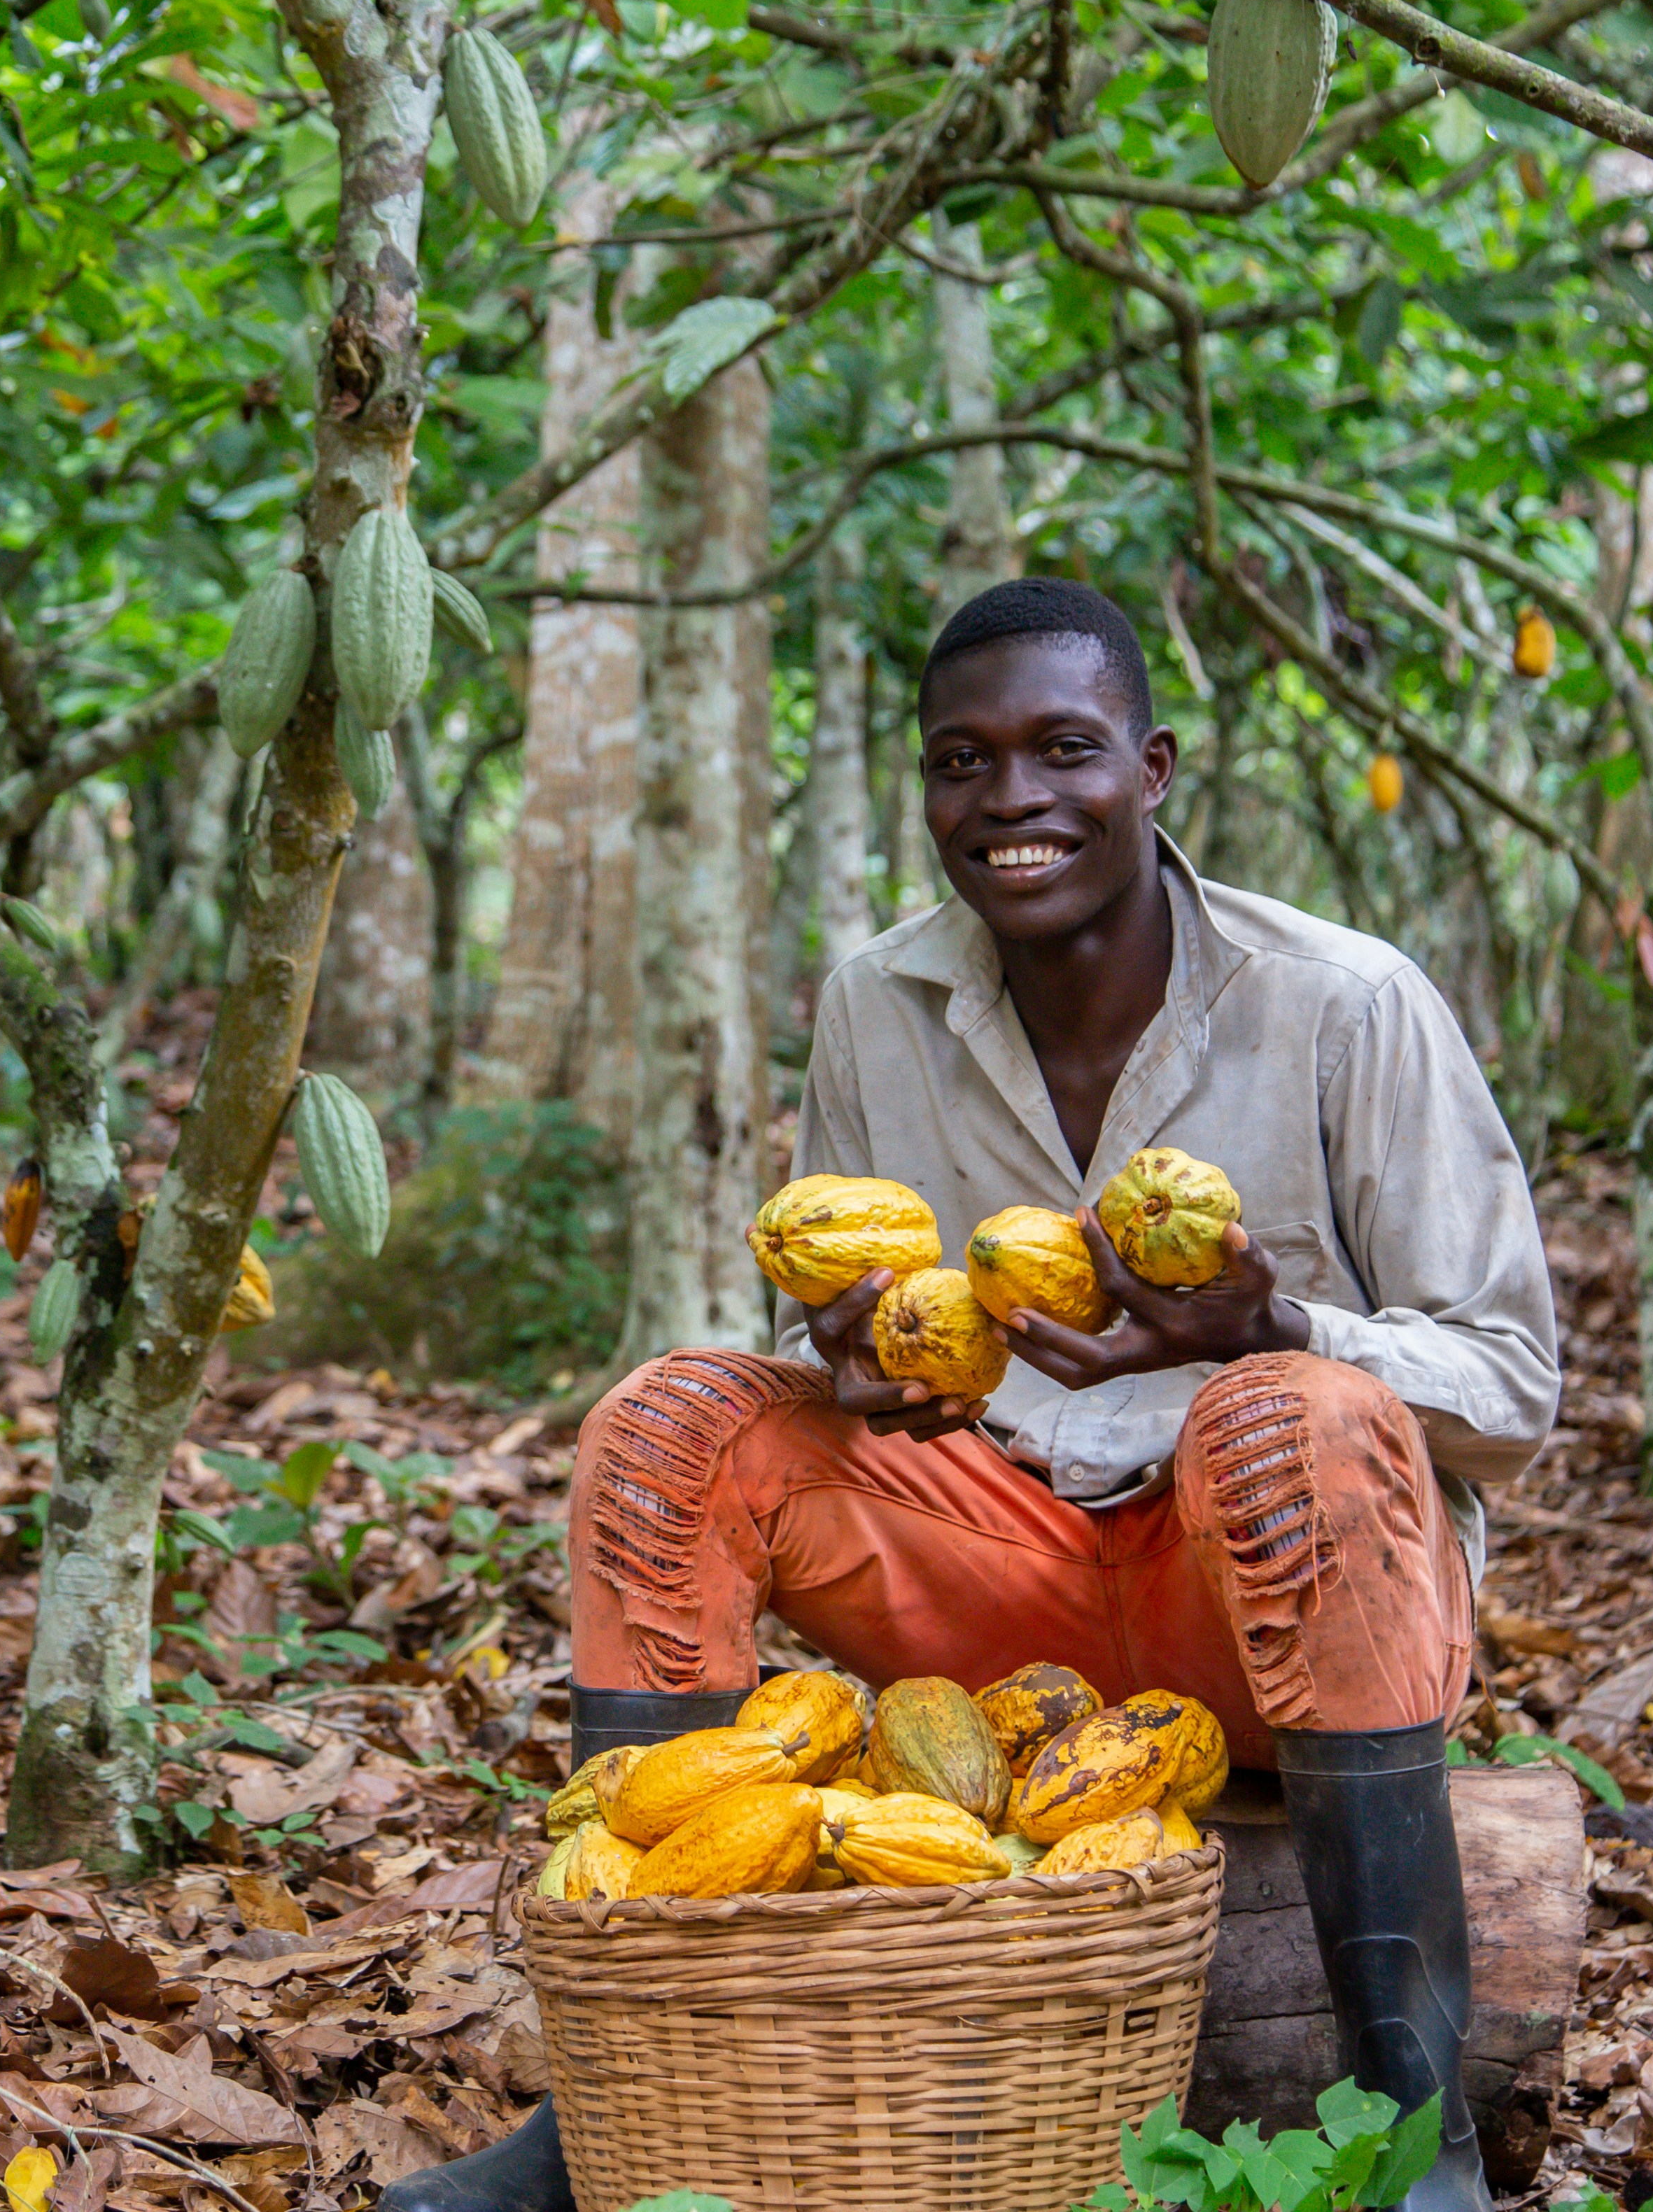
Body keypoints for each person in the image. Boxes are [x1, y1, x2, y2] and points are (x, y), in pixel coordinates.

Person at [388, 579, 1560, 2212]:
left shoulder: (1343, 1003)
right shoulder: (881, 1000)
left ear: (1151, 772)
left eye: (1062, 751)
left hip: (1271, 1597)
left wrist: (1265, 1322)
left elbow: (1513, 1385)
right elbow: (833, 1320)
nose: (1010, 801)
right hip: (1003, 1600)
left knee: (1292, 1411)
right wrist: (853, 1376)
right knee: (670, 1424)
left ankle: (1411, 2134)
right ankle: (610, 2103)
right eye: (963, 761)